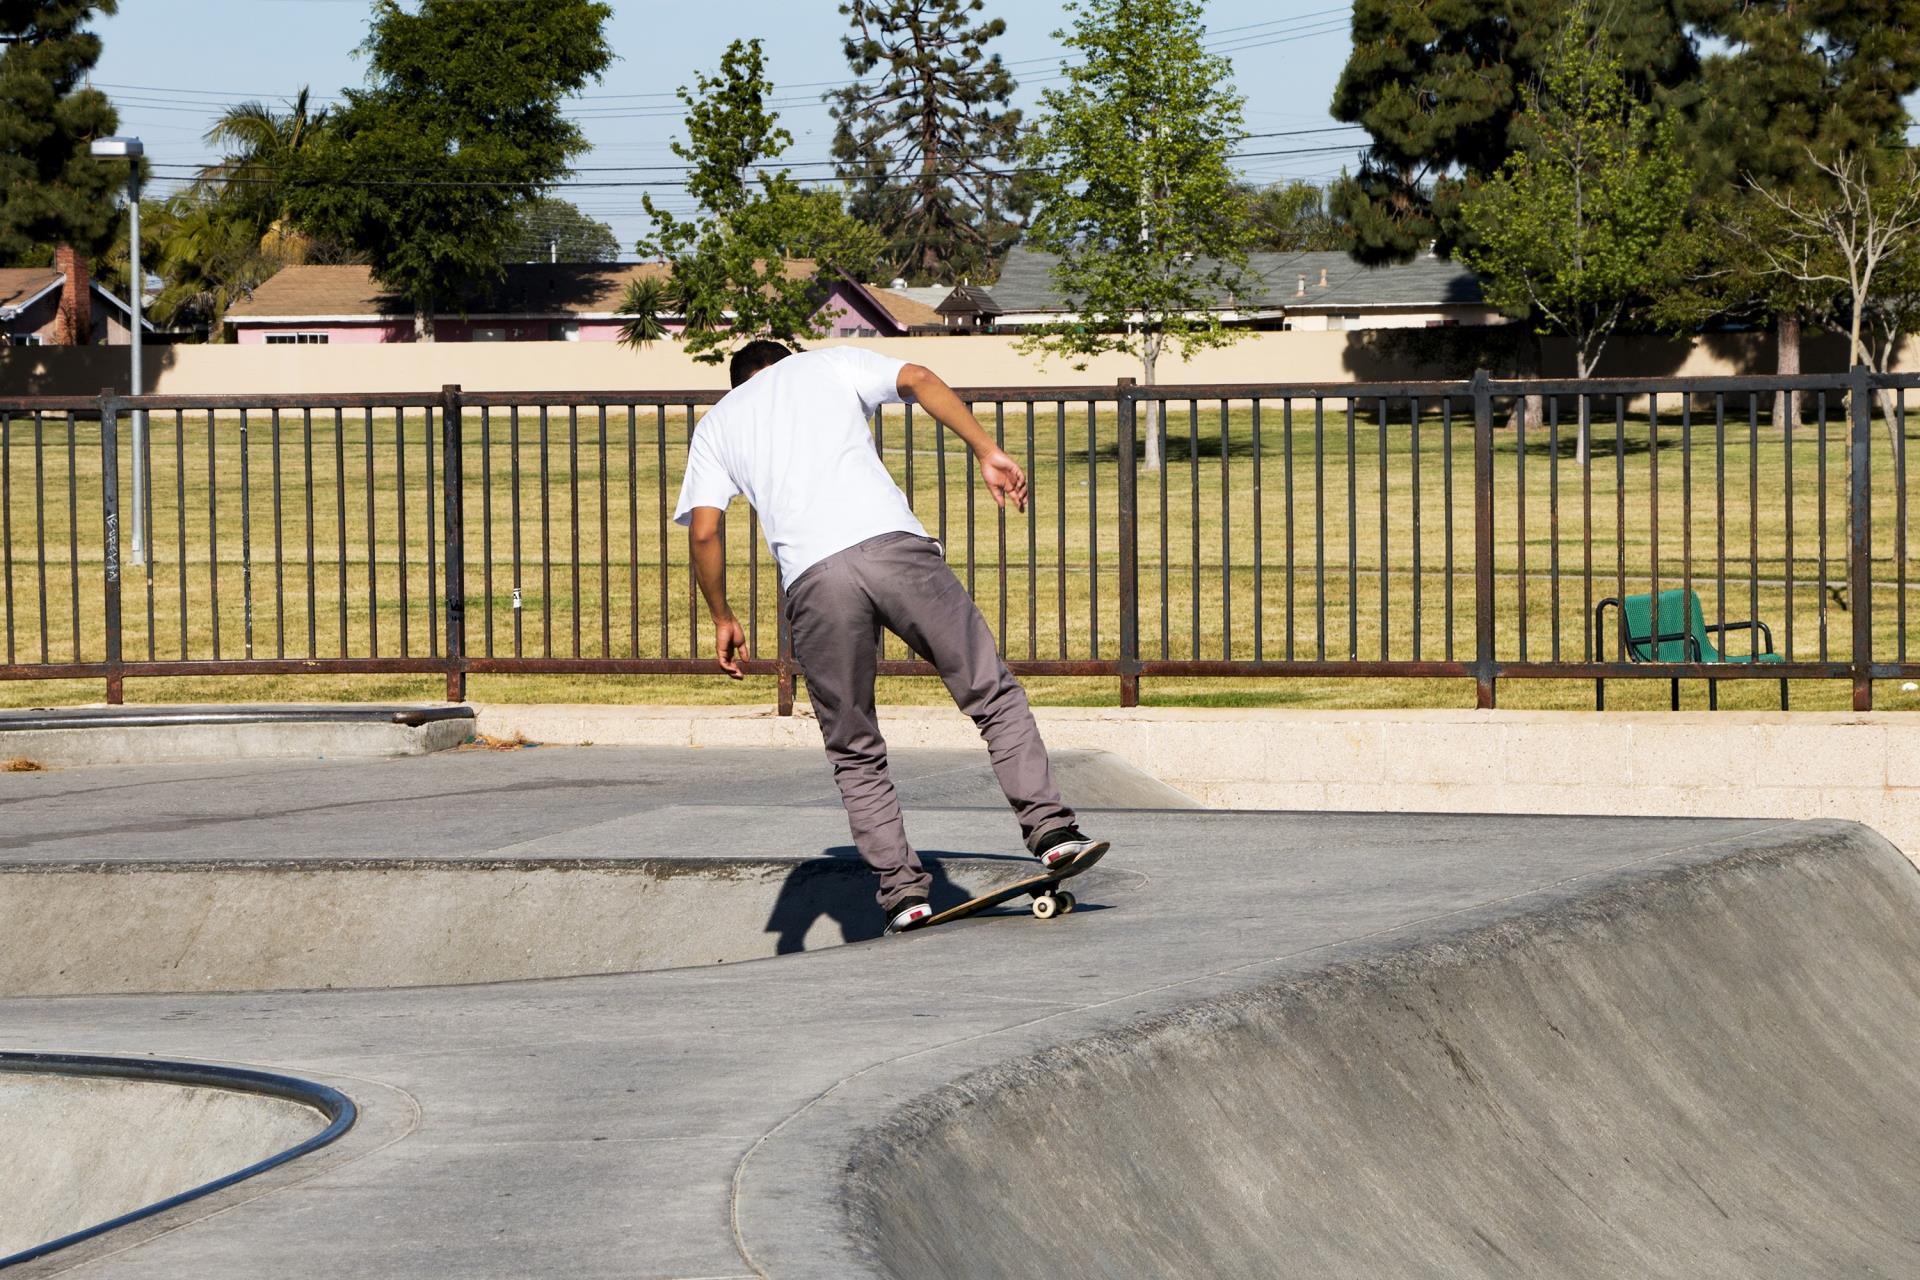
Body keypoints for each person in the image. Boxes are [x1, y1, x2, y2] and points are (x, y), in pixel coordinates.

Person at [674, 339, 1106, 933]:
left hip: (814, 583)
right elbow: (920, 377)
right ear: (786, 359)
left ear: (738, 382)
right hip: (893, 549)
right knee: (988, 690)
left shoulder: (718, 425)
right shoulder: (826, 362)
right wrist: (986, 450)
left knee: (853, 744)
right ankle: (1051, 831)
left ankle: (904, 893)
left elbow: (704, 533)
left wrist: (723, 616)